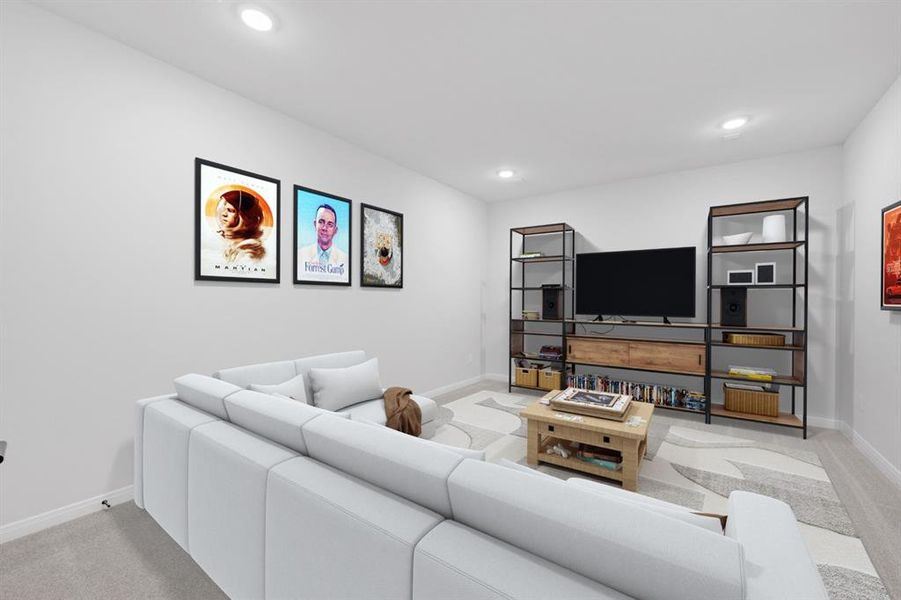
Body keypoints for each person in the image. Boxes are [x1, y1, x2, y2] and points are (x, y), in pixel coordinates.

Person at [216, 190, 266, 262]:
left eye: (230, 210)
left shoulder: (249, 251)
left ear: (244, 217)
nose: (224, 214)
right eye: (225, 209)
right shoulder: (232, 243)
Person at [298, 203, 348, 268]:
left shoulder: (346, 260)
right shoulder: (300, 255)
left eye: (330, 225)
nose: (324, 228)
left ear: (335, 230)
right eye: (321, 222)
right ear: (315, 224)